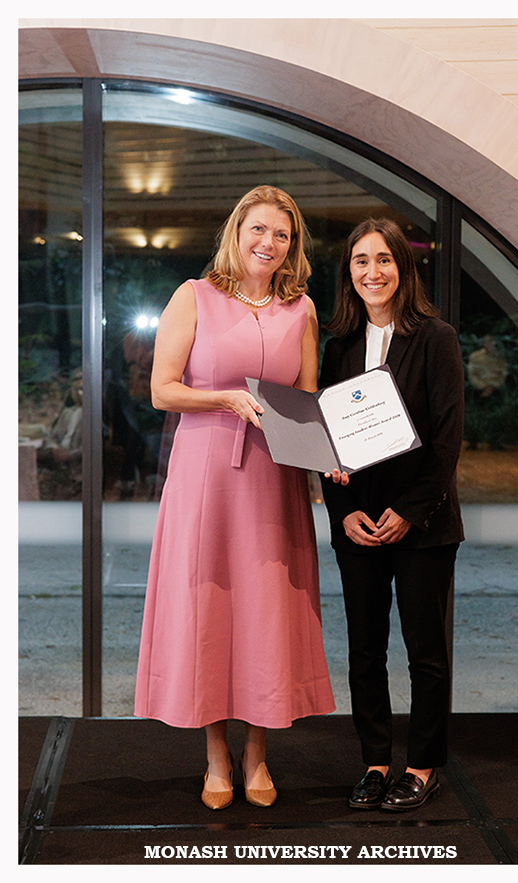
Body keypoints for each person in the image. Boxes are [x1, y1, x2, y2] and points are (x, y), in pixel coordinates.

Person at [135, 186, 335, 810]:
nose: (268, 243)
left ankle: (257, 755)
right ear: (237, 232)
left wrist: (333, 460)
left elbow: (305, 406)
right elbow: (162, 390)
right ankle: (215, 756)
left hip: (273, 483)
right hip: (204, 480)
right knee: (209, 608)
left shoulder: (300, 311)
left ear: (291, 246)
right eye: (259, 230)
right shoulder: (193, 296)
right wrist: (223, 399)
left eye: (282, 234)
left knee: (266, 611)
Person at [320, 218, 464, 812]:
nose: (372, 272)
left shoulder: (436, 338)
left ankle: (423, 765)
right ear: (348, 273)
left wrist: (407, 512)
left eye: (384, 260)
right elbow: (324, 441)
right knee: (365, 650)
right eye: (360, 261)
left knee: (426, 652)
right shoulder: (338, 347)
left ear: (403, 269)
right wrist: (343, 513)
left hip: (423, 525)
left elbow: (447, 440)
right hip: (359, 525)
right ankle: (376, 762)